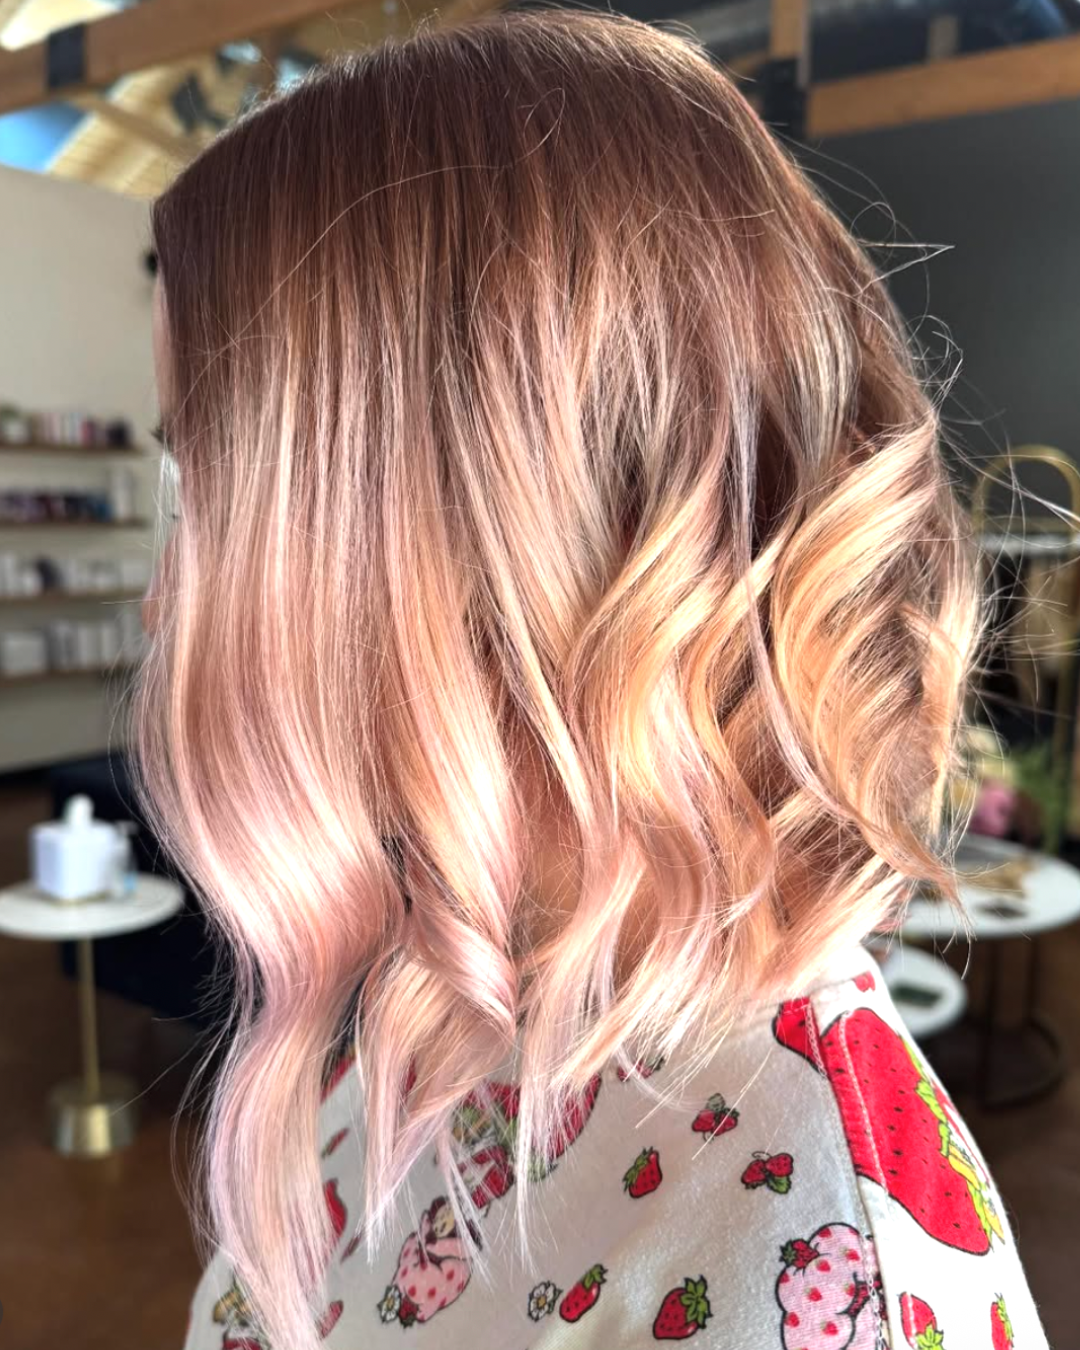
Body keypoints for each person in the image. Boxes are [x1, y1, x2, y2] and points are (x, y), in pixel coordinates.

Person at [135, 11, 1048, 1350]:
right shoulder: (437, 994)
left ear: (463, 531)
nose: (168, 596)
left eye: (201, 491)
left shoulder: (814, 1254)